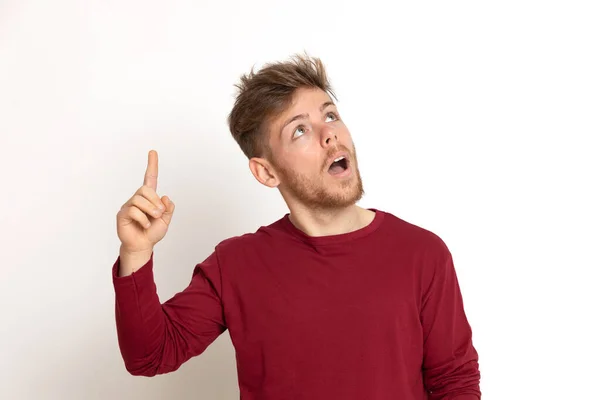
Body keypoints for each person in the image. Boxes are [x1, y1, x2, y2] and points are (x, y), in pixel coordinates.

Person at [112, 54, 481, 399]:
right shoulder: (236, 264)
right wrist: (137, 253)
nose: (329, 135)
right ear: (266, 171)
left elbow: (454, 380)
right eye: (300, 130)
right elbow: (150, 356)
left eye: (330, 115)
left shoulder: (421, 252)